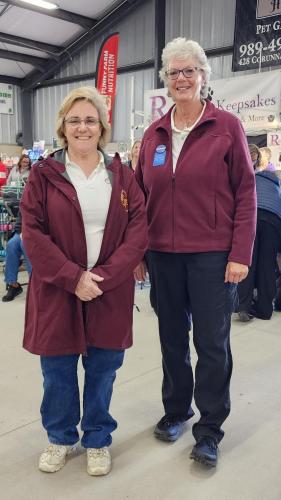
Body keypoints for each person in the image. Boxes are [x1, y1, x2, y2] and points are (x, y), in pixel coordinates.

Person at [134, 38, 256, 467]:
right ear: (165, 80)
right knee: (171, 341)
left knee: (212, 344)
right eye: (174, 72)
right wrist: (137, 252)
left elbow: (246, 193)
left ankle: (209, 429)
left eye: (190, 71)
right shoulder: (154, 132)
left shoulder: (226, 126)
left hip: (212, 255)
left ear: (204, 76)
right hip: (162, 257)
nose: (182, 79)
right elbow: (138, 197)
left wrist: (240, 253)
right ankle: (176, 411)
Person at [20, 86, 147, 476]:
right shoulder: (44, 176)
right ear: (63, 126)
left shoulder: (122, 177)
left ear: (102, 127)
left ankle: (96, 438)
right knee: (57, 371)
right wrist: (73, 278)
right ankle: (60, 438)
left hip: (108, 291)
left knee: (103, 369)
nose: (82, 127)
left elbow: (138, 232)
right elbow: (32, 234)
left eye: (90, 120)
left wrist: (103, 278)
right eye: (74, 120)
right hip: (58, 290)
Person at [237, 168, 281, 321]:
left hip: (252, 216)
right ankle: (265, 309)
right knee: (267, 266)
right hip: (274, 222)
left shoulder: (253, 178)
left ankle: (244, 306)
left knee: (248, 261)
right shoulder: (277, 187)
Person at [2, 212, 32, 302]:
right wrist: (20, 231)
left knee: (25, 244)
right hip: (21, 231)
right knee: (11, 245)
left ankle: (34, 284)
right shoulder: (25, 200)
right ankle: (13, 285)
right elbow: (20, 217)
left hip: (34, 232)